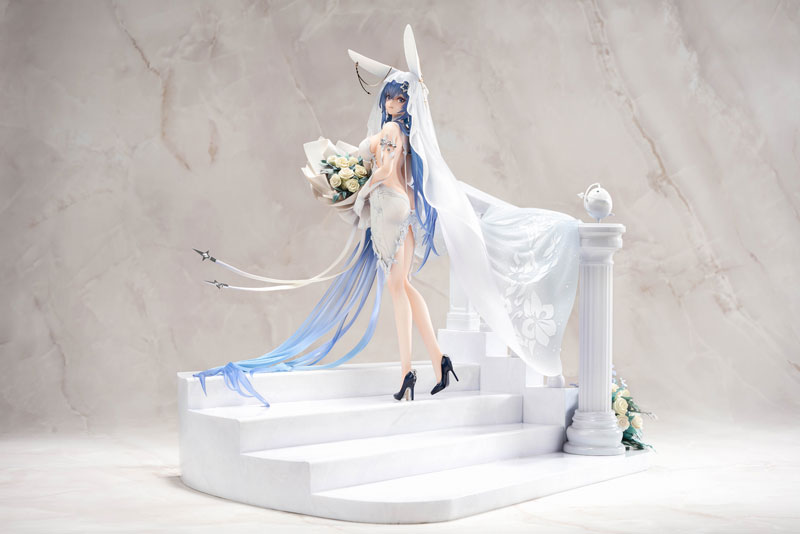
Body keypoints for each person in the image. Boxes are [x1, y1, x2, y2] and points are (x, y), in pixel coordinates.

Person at [192, 26, 580, 407]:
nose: (393, 103)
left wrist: (360, 191)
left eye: (399, 98)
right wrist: (347, 174)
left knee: (397, 288)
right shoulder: (400, 133)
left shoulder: (393, 131)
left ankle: (412, 370)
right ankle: (434, 361)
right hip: (398, 206)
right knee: (402, 286)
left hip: (389, 206)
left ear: (407, 103)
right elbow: (376, 164)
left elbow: (383, 170)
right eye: (390, 97)